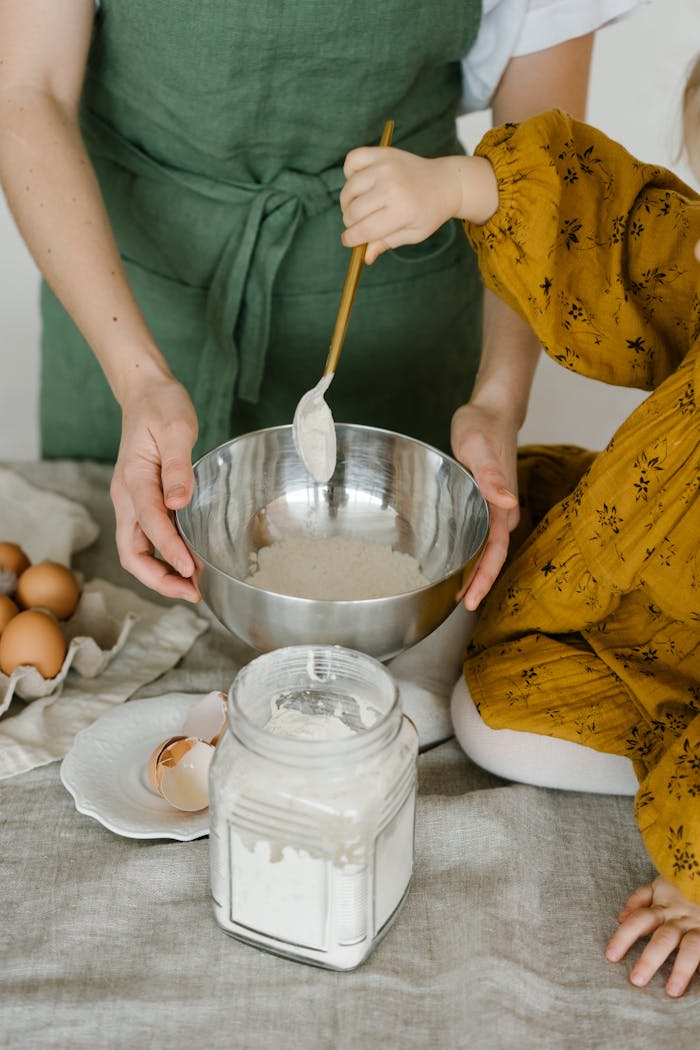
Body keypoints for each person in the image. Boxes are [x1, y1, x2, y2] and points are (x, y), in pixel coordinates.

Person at [0, 1, 643, 603]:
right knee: (109, 587)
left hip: (395, 315)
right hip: (134, 297)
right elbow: (27, 93)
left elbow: (545, 169)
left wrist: (501, 400)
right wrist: (139, 379)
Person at [339, 65, 700, 996]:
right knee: (511, 504)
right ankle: (428, 658)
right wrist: (460, 186)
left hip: (683, 662)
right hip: (628, 553)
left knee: (496, 727)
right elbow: (625, 231)